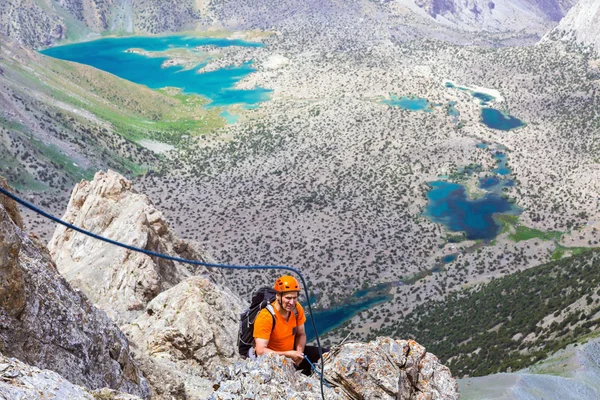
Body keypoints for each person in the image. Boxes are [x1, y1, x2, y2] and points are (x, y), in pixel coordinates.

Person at [253, 275, 324, 375]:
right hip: (272, 360)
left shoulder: (296, 309)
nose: (292, 302)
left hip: (293, 354)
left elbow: (301, 334)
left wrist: (299, 353)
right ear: (278, 295)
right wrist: (287, 355)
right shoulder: (266, 317)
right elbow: (260, 351)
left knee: (326, 355)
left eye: (294, 298)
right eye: (288, 298)